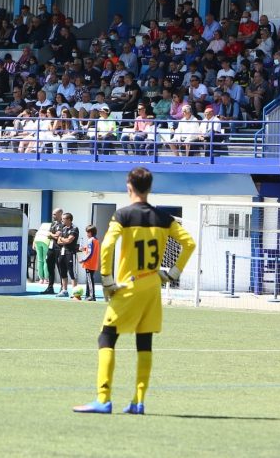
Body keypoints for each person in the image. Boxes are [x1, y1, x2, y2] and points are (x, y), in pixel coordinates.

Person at [74, 167, 196, 415]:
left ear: (129, 187)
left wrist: (107, 281)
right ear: (149, 188)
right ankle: (138, 401)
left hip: (128, 285)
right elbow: (189, 244)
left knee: (106, 337)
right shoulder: (165, 219)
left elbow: (107, 246)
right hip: (152, 285)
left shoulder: (123, 216)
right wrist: (172, 274)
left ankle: (103, 399)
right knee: (144, 341)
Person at [54, 212, 80, 297]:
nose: (62, 220)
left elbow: (69, 240)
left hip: (70, 252)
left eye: (64, 219)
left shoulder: (74, 229)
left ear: (69, 219)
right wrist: (62, 239)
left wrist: (61, 238)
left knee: (72, 272)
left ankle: (75, 291)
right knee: (63, 272)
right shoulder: (64, 228)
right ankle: (64, 290)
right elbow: (58, 241)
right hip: (62, 252)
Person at [42, 208, 64, 295]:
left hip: (59, 249)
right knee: (50, 267)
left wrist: (52, 234)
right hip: (51, 248)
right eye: (53, 214)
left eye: (55, 214)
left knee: (60, 268)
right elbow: (49, 235)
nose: (53, 216)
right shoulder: (53, 224)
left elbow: (56, 236)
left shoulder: (63, 224)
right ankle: (50, 287)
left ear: (60, 214)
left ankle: (63, 288)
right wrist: (52, 235)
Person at [78, 225, 100, 301]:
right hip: (93, 263)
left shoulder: (91, 240)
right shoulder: (96, 240)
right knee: (89, 279)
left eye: (87, 232)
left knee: (90, 280)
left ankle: (91, 296)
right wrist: (84, 248)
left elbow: (90, 253)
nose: (86, 234)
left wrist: (83, 260)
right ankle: (88, 295)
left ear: (90, 233)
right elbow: (90, 250)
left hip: (89, 263)